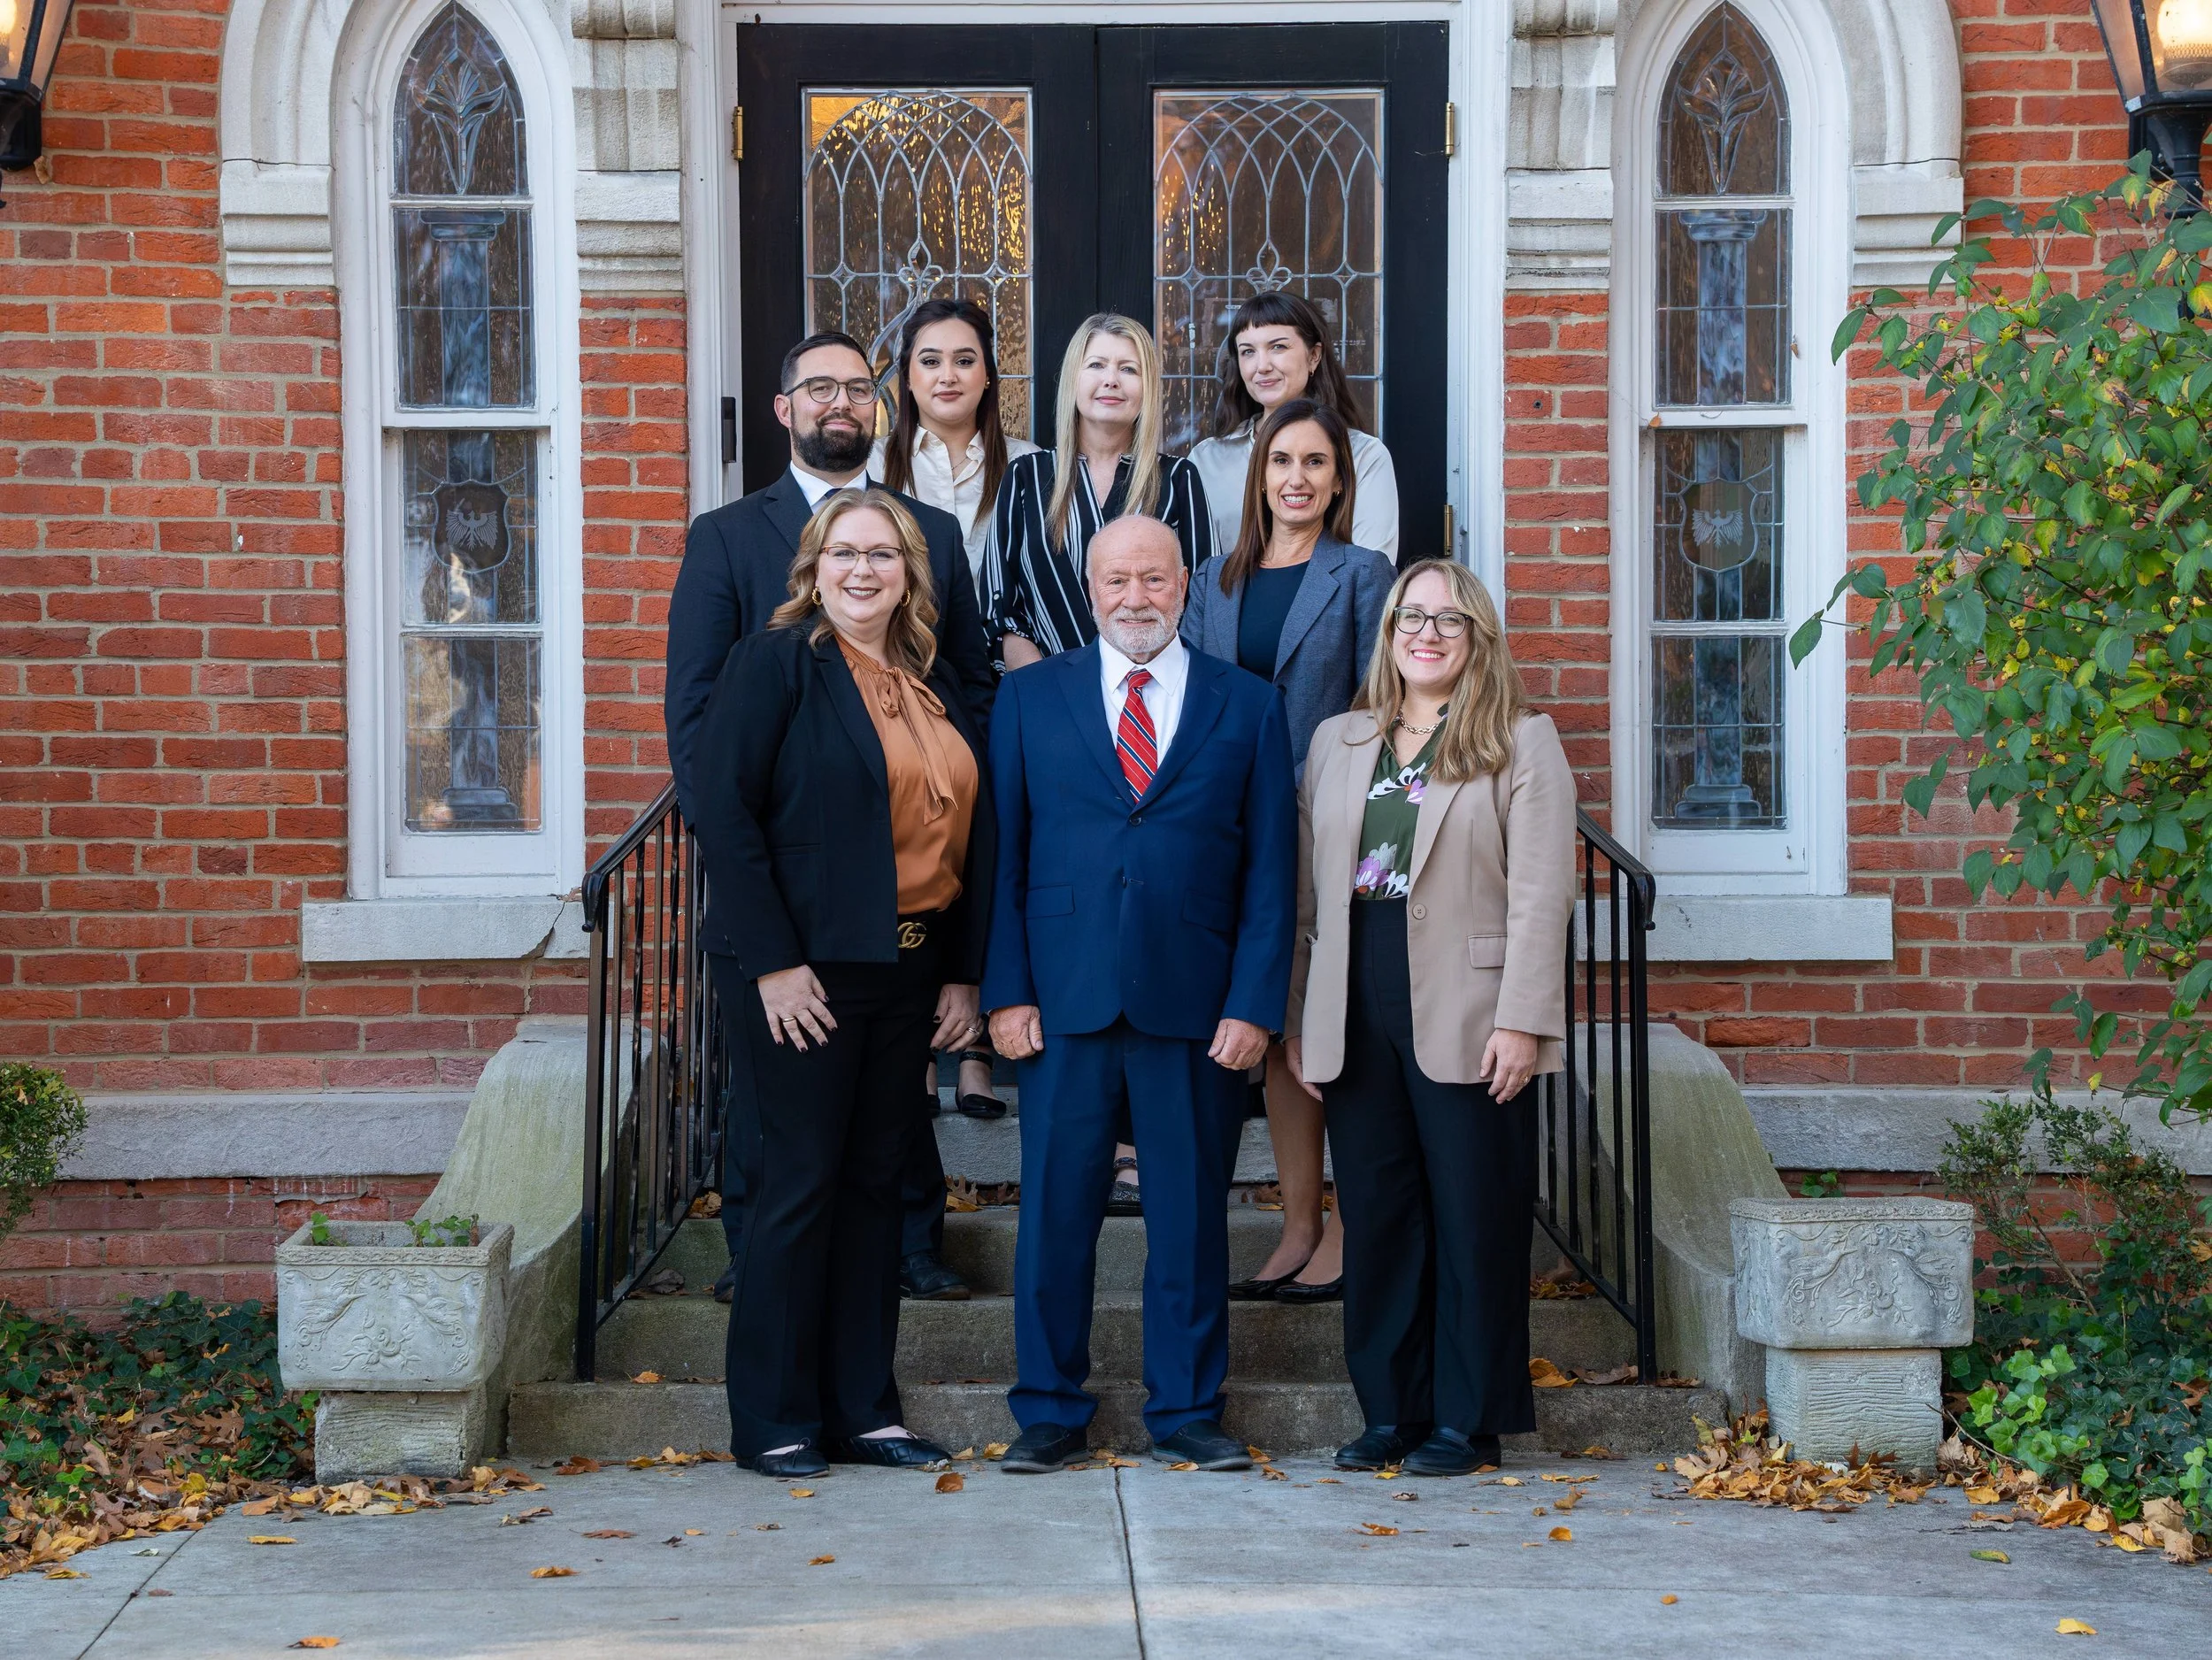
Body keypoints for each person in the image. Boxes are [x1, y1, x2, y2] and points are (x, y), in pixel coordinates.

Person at [666, 330, 985, 1307]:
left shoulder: (927, 529)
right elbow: (694, 710)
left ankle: (910, 1244)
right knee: (777, 1103)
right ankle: (763, 1255)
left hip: (906, 873)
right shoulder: (728, 535)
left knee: (897, 1098)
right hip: (789, 875)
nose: (839, 403)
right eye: (818, 388)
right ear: (783, 408)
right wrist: (740, 858)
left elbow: (966, 682)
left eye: (856, 387)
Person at [980, 515, 1296, 1475]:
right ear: (1089, 588)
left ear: (1182, 587)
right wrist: (1006, 992)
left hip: (1195, 1007)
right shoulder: (1031, 699)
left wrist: (1253, 1004)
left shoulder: (1247, 705)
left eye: (1153, 579)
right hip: (1063, 999)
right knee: (1053, 1218)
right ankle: (1047, 1409)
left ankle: (1190, 1409)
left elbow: (1272, 875)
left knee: (1190, 1217)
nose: (1135, 597)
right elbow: (1004, 855)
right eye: (1116, 580)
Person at [689, 488, 994, 1478]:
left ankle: (865, 1410)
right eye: (843, 553)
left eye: (883, 555)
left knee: (877, 1190)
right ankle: (774, 1418)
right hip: (800, 975)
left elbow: (963, 835)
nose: (862, 571)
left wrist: (960, 975)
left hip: (905, 966)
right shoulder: (775, 663)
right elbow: (725, 819)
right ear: (813, 567)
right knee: (801, 1183)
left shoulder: (928, 674)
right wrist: (774, 963)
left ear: (911, 570)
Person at [1284, 558, 1576, 1478]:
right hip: (1353, 994)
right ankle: (1391, 1409)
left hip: (1469, 1003)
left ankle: (1466, 1418)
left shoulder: (1519, 740)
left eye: (1449, 621)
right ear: (1388, 633)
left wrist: (1523, 1018)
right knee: (1379, 1214)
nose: (1427, 633)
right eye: (1411, 617)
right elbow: (1305, 899)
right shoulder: (1338, 739)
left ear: (1476, 636)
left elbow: (1541, 894)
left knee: (1473, 1214)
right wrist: (1299, 1018)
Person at [1180, 397, 1395, 1306]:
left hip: (1331, 822)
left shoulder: (1361, 572)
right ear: (1258, 475)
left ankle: (1348, 1224)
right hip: (1237, 825)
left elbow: (1390, 703)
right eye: (1281, 462)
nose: (1296, 478)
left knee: (1331, 1024)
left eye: (1314, 463)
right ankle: (1298, 1222)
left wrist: (1380, 842)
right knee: (1271, 1032)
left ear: (1338, 480)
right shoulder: (1210, 580)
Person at [871, 297, 1040, 1122]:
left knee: (988, 856)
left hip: (999, 691)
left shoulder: (1032, 467)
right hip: (900, 692)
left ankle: (974, 1051)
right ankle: (910, 1058)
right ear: (907, 377)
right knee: (913, 865)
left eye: (965, 359)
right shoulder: (874, 474)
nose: (948, 375)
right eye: (931, 359)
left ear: (988, 376)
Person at [982, 314, 1213, 668]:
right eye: (1096, 365)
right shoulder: (1026, 475)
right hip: (1046, 693)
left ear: (1147, 387)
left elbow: (1201, 601)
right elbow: (999, 605)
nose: (1111, 380)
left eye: (1128, 369)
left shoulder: (1179, 478)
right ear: (1074, 379)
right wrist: (1044, 687)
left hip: (1150, 698)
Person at [1187, 290, 1400, 559]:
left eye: (1278, 347)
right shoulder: (1207, 460)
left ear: (1314, 356)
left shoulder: (1364, 456)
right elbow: (1194, 567)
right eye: (1248, 352)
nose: (1262, 366)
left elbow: (1371, 573)